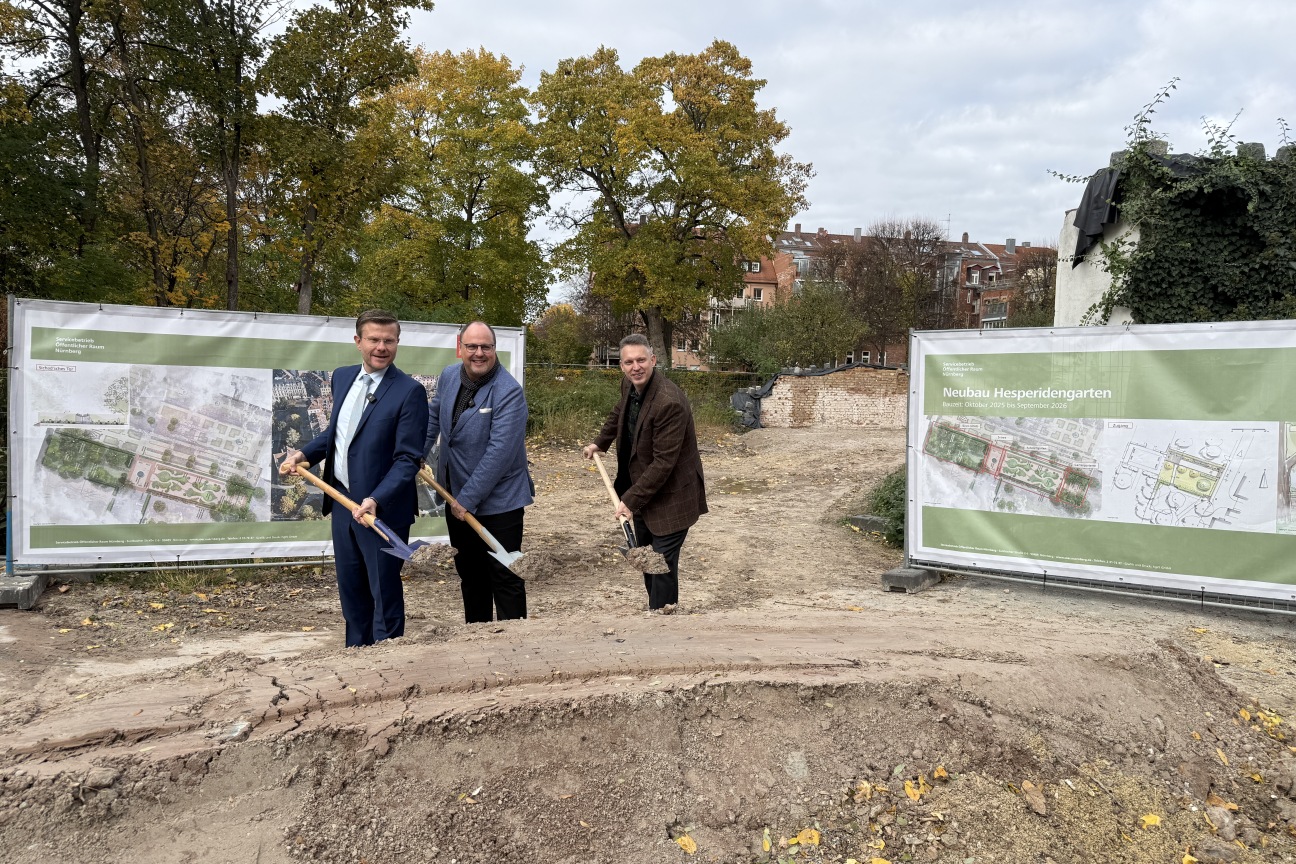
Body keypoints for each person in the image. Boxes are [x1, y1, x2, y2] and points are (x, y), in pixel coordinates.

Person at [279, 309, 428, 647]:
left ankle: (387, 663)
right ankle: (356, 657)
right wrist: (304, 454)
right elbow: (337, 433)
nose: (382, 347)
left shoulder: (409, 392)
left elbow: (408, 460)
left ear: (397, 343)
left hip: (381, 512)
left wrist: (376, 499)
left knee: (383, 591)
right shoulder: (343, 377)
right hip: (343, 502)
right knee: (352, 590)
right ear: (358, 341)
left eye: (389, 340)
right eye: (374, 339)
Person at [582, 334, 707, 612]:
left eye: (641, 360)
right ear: (622, 366)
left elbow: (664, 463)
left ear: (652, 360)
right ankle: (657, 612)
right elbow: (619, 412)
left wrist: (630, 500)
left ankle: (663, 619)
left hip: (673, 497)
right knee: (648, 560)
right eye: (629, 362)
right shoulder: (629, 385)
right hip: (646, 492)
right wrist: (600, 442)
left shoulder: (669, 402)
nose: (635, 366)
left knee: (661, 564)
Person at [425, 321, 533, 623]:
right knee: (471, 576)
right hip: (455, 495)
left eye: (486, 346)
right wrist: (416, 454)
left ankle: (514, 645)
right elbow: (434, 414)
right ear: (461, 348)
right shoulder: (449, 376)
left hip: (500, 502)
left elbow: (500, 453)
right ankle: (477, 641)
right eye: (472, 346)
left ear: (494, 349)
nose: (479, 353)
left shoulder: (509, 392)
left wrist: (468, 498)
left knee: (505, 574)